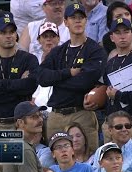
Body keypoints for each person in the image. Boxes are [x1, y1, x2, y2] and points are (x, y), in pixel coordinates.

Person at [37, 3, 106, 154]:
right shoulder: (58, 51)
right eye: (73, 17)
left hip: (81, 113)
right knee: (55, 164)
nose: (78, 21)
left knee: (87, 159)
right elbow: (41, 77)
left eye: (81, 17)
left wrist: (55, 79)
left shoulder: (95, 50)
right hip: (56, 115)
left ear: (86, 21)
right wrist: (67, 73)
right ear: (66, 22)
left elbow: (84, 82)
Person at [86, 18, 132, 146]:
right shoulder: (110, 63)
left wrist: (119, 95)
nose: (122, 36)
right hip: (111, 125)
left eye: (126, 31)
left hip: (131, 124)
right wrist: (93, 100)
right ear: (112, 37)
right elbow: (106, 92)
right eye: (118, 32)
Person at [0, 15, 39, 130]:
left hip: (20, 124)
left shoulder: (29, 59)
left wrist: (0, 84)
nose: (8, 36)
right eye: (3, 32)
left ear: (16, 35)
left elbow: (30, 86)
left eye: (12, 32)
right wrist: (18, 88)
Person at [3, 101, 46, 172]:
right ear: (20, 122)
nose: (40, 120)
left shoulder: (15, 142)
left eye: (40, 115)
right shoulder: (24, 150)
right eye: (34, 117)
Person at [32, 21, 60, 113]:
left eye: (52, 36)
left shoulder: (65, 58)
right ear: (39, 39)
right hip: (37, 110)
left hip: (57, 110)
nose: (49, 39)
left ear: (58, 39)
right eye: (45, 36)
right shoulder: (33, 60)